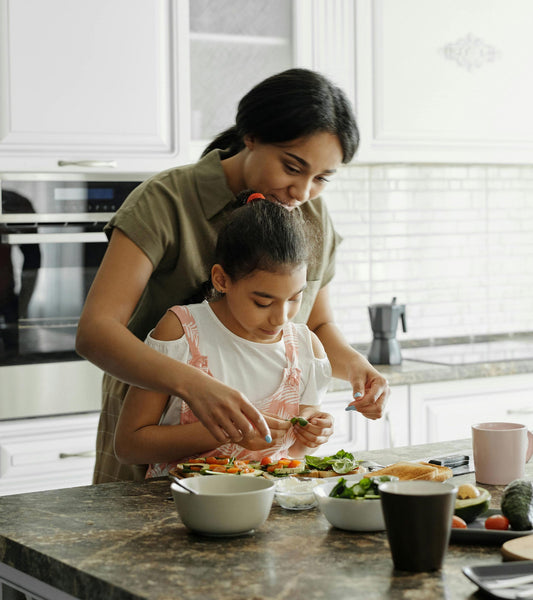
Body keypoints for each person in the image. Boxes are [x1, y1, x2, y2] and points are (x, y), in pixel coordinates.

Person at [76, 67, 390, 484]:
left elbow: (315, 323)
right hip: (155, 426)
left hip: (256, 465)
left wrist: (355, 367)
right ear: (252, 136)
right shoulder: (166, 200)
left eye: (321, 179)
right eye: (292, 167)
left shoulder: (310, 214)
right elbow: (96, 331)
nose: (302, 191)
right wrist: (194, 386)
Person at [114, 194, 334, 476]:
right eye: (263, 302)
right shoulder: (181, 332)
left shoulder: (306, 348)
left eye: (295, 298)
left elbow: (295, 454)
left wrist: (312, 435)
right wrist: (227, 432)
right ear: (221, 280)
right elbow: (129, 446)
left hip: (270, 510)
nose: (281, 317)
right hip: (178, 508)